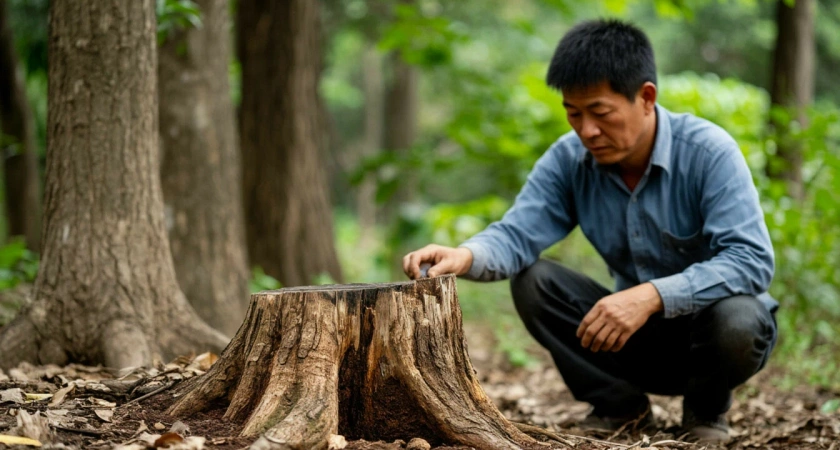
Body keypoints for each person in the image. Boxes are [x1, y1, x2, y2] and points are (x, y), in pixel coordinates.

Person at [402, 19, 777, 444]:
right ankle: (620, 406)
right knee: (535, 281)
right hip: (632, 338)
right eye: (573, 114)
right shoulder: (569, 159)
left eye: (600, 113)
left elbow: (751, 260)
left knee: (739, 319)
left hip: (713, 340)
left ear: (646, 97)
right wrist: (464, 256)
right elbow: (518, 234)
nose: (587, 131)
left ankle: (707, 413)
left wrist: (652, 295)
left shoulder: (709, 153)